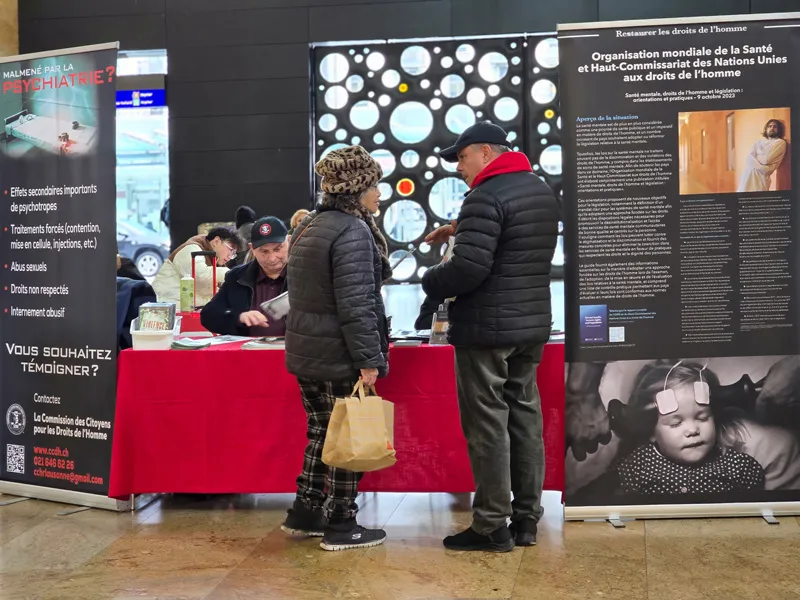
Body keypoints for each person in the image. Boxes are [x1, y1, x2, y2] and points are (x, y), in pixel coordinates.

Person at [421, 121, 559, 552]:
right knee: (524, 418)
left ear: (484, 152)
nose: (459, 167)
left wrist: (431, 279)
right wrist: (461, 228)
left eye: (461, 158)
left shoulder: (484, 194)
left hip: (486, 329)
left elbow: (469, 270)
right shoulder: (538, 190)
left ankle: (490, 525)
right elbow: (512, 248)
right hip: (531, 325)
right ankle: (526, 520)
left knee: (487, 426)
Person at [282, 145, 391, 552]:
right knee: (348, 434)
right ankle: (342, 523)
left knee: (320, 430)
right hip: (338, 354)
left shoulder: (310, 225)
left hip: (307, 351)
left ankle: (306, 510)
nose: (379, 193)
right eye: (374, 184)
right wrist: (368, 360)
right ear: (356, 188)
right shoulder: (352, 231)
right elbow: (357, 302)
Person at [617, 361, 765, 495]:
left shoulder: (739, 468)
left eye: (702, 418)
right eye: (676, 423)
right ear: (651, 431)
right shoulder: (636, 467)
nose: (693, 430)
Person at [200, 217, 289, 336]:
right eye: (264, 252)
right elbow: (208, 316)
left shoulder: (308, 274)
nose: (272, 258)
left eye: (277, 249)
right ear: (252, 249)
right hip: (249, 352)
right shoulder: (237, 277)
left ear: (289, 241)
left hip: (296, 352)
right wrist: (239, 317)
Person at [151, 227, 242, 308]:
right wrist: (231, 273)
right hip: (166, 306)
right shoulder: (191, 249)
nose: (230, 256)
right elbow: (200, 275)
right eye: (231, 250)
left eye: (234, 254)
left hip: (182, 307)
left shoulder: (213, 259)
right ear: (216, 241)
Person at [737, 119, 788, 192]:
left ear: (779, 129)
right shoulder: (759, 142)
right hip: (747, 176)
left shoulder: (780, 143)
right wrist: (763, 167)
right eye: (769, 126)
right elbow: (748, 159)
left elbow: (766, 160)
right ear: (766, 129)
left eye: (775, 126)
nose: (772, 128)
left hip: (761, 178)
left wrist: (756, 156)